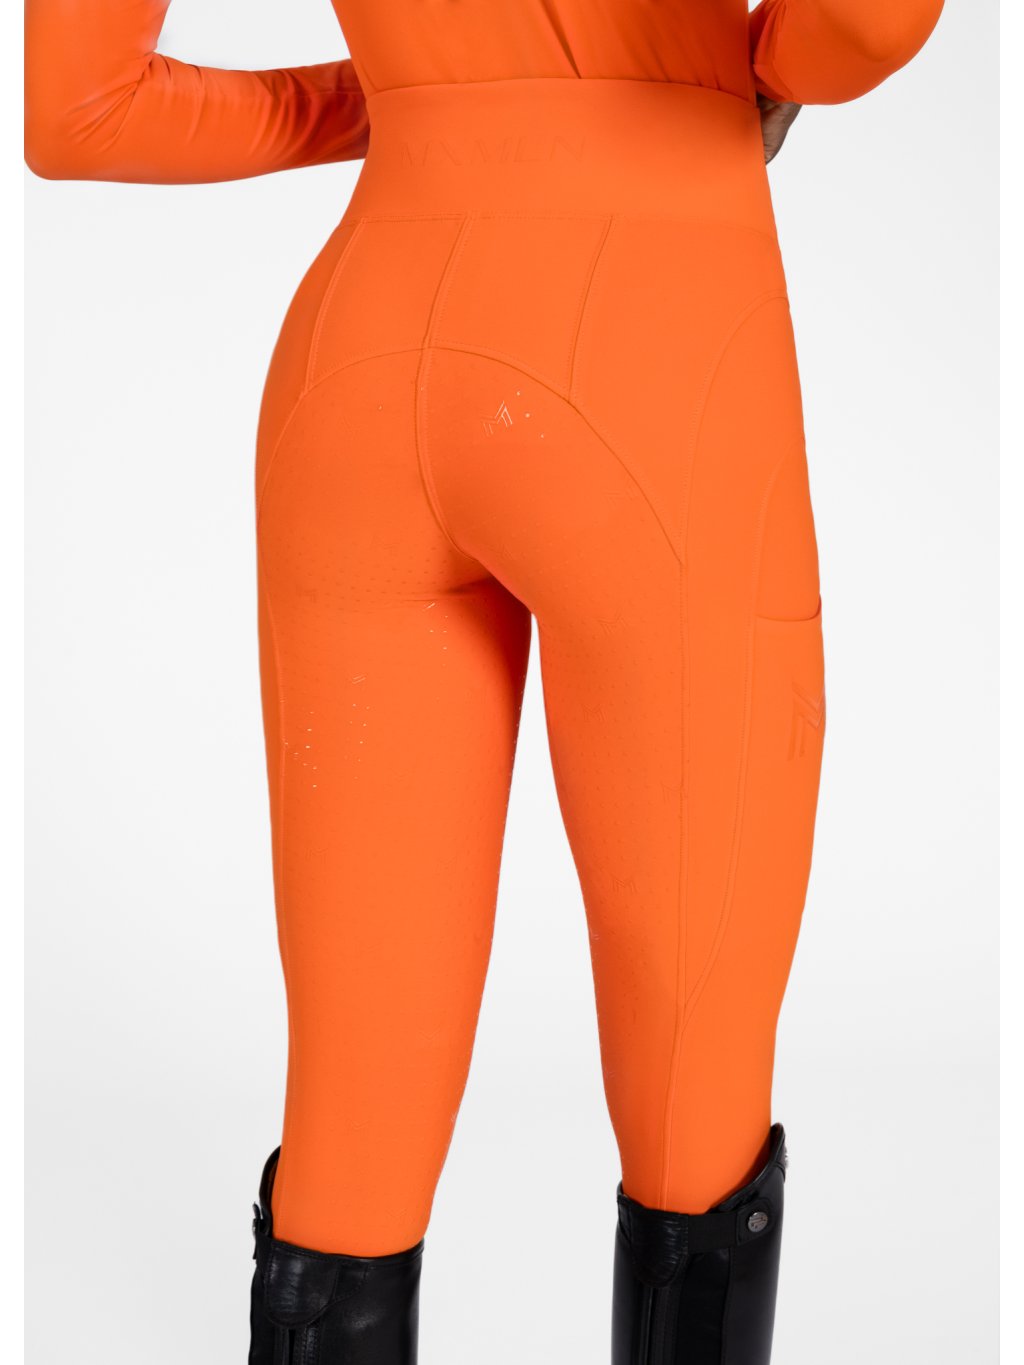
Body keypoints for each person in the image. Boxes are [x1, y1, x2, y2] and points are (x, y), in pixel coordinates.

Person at [24, 3, 945, 1361]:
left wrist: (408, 95)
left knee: (356, 1084)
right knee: (693, 1079)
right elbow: (862, 24)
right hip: (656, 361)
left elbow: (78, 114)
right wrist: (761, 71)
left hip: (363, 364)